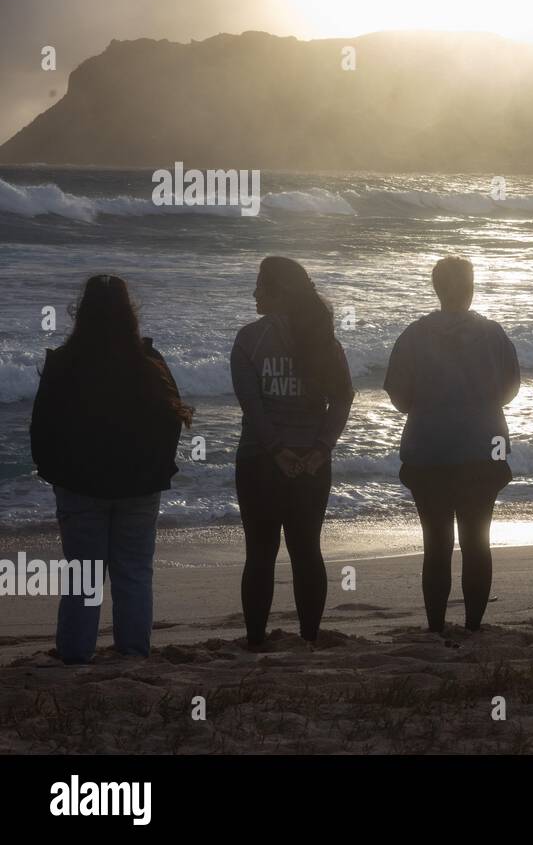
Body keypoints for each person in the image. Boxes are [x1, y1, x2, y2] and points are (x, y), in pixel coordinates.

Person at [30, 274, 191, 664]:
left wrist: (54, 473)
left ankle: (74, 655)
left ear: (82, 313)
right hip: (140, 485)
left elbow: (42, 428)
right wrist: (158, 469)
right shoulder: (149, 362)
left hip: (80, 485)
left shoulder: (64, 362)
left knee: (84, 574)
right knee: (134, 572)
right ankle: (134, 652)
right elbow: (172, 420)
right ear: (128, 314)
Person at [385, 256, 519, 633]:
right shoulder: (493, 334)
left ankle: (436, 624)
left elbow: (398, 397)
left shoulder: (414, 334)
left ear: (436, 289)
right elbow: (510, 392)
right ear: (471, 288)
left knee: (437, 544)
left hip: (429, 451)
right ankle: (474, 625)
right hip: (483, 449)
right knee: (478, 541)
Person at [231, 257, 354, 648]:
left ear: (279, 292)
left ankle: (254, 640)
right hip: (312, 463)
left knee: (260, 554)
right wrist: (321, 449)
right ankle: (310, 637)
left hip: (259, 461)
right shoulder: (324, 340)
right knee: (306, 551)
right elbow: (343, 399)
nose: (254, 293)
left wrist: (276, 450)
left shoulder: (249, 340)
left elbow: (253, 406)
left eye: (260, 286)